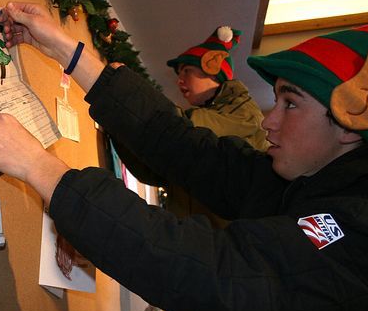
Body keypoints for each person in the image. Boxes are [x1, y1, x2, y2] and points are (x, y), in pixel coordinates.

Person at [0, 2, 368, 311]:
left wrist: (38, 166)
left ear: (353, 120)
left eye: (290, 104)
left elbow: (217, 271)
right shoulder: (315, 176)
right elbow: (190, 150)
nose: (270, 120)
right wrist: (67, 50)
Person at [112, 26, 267, 226]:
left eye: (187, 70)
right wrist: (117, 124)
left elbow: (181, 128)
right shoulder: (212, 115)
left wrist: (125, 91)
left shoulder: (245, 113)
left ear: (212, 68)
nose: (179, 80)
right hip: (188, 233)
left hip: (208, 242)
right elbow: (152, 171)